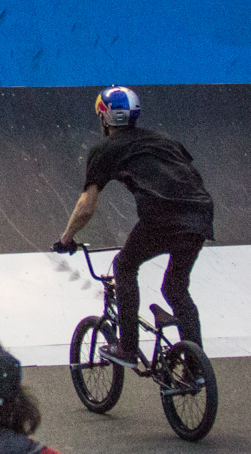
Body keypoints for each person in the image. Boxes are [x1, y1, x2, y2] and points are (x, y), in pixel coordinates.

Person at [53, 87, 216, 371]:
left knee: (125, 266)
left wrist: (67, 238)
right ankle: (195, 367)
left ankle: (127, 346)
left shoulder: (104, 150)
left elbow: (86, 207)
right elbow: (187, 176)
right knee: (176, 288)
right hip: (200, 215)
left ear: (104, 118)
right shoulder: (165, 140)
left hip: (162, 216)